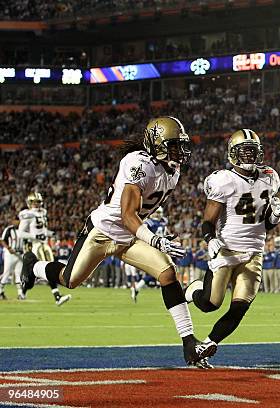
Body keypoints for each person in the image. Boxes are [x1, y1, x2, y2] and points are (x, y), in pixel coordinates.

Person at [20, 116, 212, 368]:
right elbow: (127, 215)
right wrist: (154, 239)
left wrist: (151, 238)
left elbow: (138, 216)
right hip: (103, 231)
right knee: (70, 279)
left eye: (180, 145)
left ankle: (188, 343)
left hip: (129, 238)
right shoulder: (137, 164)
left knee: (167, 273)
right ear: (157, 145)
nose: (179, 151)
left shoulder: (172, 171)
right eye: (173, 145)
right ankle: (33, 265)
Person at [185, 128, 280, 366]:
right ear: (233, 154)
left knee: (240, 306)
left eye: (253, 152)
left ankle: (209, 343)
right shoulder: (223, 180)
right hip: (227, 249)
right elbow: (207, 221)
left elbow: (265, 225)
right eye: (245, 152)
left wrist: (274, 217)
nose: (249, 156)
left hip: (254, 252)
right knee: (210, 304)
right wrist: (211, 240)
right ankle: (194, 289)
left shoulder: (270, 177)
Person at [0, 216, 25, 300]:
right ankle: (1, 291)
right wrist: (8, 248)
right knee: (7, 272)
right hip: (10, 254)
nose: (16, 222)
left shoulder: (23, 229)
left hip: (20, 254)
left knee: (18, 274)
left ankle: (20, 294)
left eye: (17, 220)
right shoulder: (9, 229)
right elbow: (2, 240)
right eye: (15, 220)